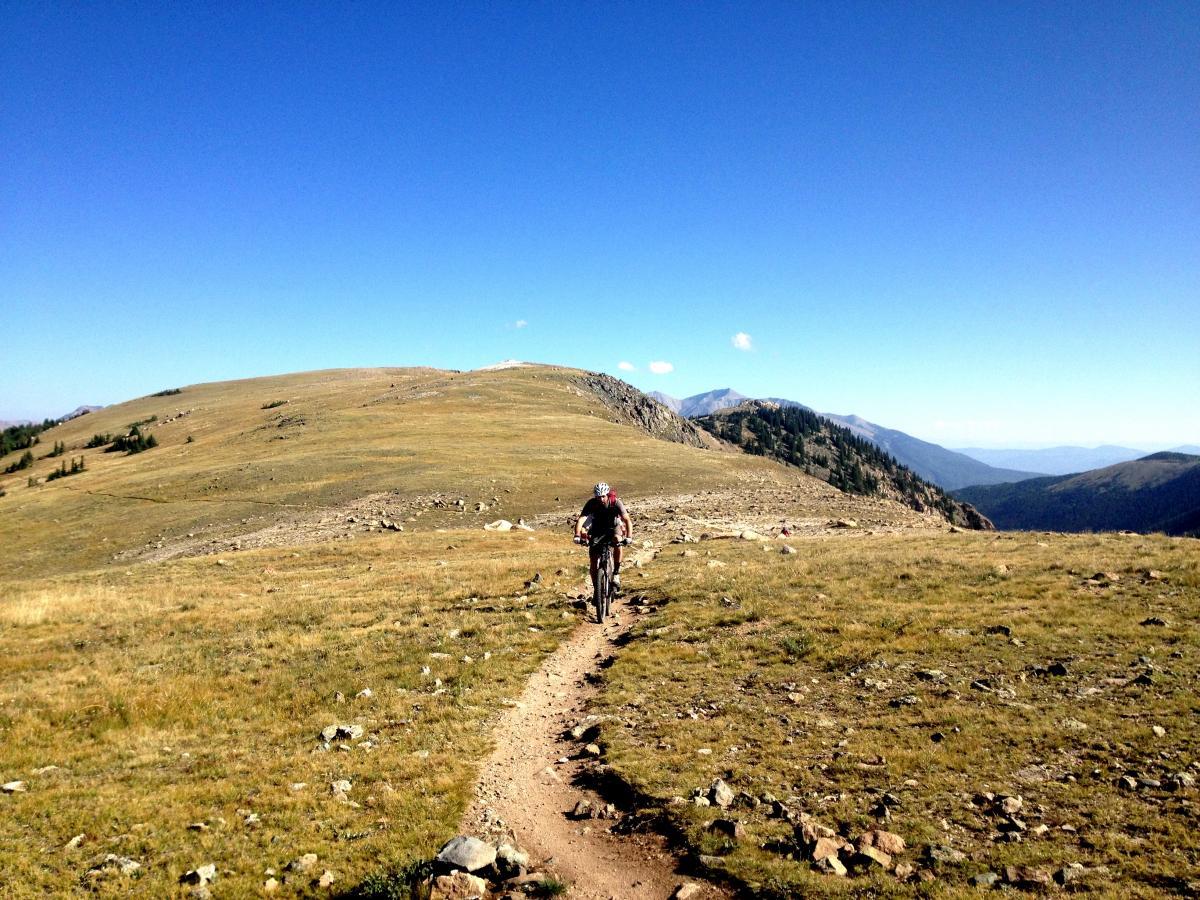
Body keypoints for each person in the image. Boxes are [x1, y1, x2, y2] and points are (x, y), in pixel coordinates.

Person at [574, 482, 633, 593]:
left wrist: (629, 537)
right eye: (598, 497)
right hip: (597, 529)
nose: (601, 499)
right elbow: (581, 519)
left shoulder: (616, 503)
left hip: (613, 527)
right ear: (595, 496)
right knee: (593, 560)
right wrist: (577, 535)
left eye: (603, 496)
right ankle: (597, 589)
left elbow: (627, 520)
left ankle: (616, 573)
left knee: (617, 540)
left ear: (607, 495)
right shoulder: (591, 504)